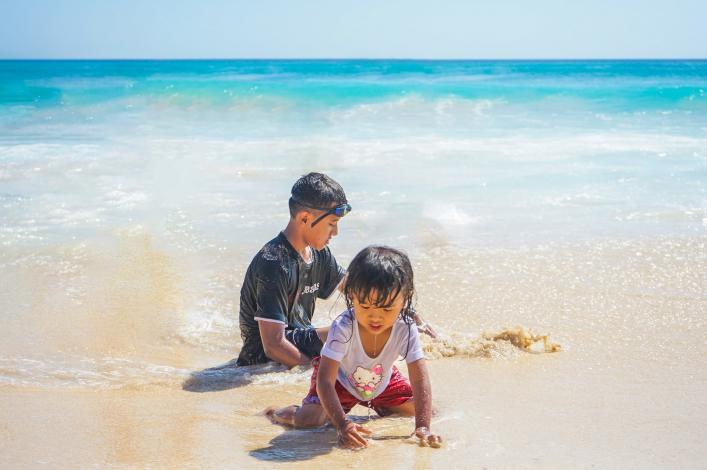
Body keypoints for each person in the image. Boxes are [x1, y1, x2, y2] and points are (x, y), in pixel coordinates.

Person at [265, 246, 442, 449]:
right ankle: (276, 412)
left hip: (379, 379)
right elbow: (325, 381)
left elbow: (420, 380)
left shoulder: (406, 328)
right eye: (365, 306)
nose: (375, 316)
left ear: (405, 300)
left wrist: (423, 427)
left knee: (430, 411)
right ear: (352, 296)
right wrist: (342, 424)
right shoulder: (344, 326)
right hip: (339, 381)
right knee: (309, 421)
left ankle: (381, 404)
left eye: (386, 308)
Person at [236, 172, 351, 367]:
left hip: (301, 343)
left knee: (361, 328)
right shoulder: (273, 262)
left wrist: (400, 311)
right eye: (332, 224)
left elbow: (355, 289)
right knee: (346, 333)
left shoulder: (319, 253)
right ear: (305, 218)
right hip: (262, 362)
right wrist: (314, 372)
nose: (336, 232)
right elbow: (273, 345)